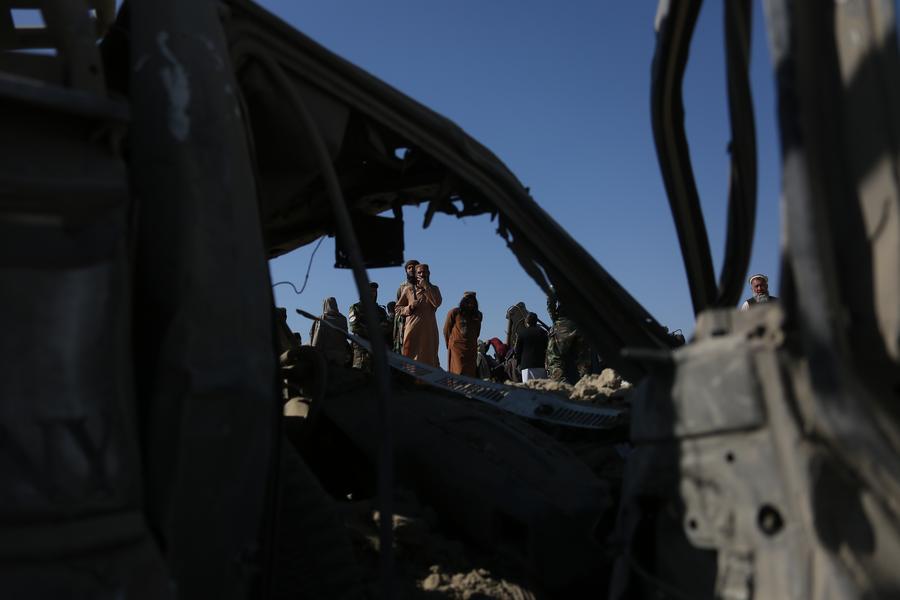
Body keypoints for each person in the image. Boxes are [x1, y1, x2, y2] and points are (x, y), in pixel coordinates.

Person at [395, 263, 442, 366]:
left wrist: (426, 287)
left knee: (429, 360)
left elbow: (437, 303)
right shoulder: (408, 289)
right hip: (413, 330)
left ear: (428, 273)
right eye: (419, 272)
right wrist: (410, 307)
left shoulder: (434, 289)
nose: (422, 274)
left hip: (429, 330)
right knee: (411, 361)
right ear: (415, 274)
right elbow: (398, 309)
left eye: (424, 272)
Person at [545, 291, 591, 383]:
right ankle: (584, 384)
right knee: (583, 361)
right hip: (581, 325)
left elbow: (551, 300)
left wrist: (554, 319)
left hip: (563, 323)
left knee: (555, 359)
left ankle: (560, 385)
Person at [348, 282, 392, 371]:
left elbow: (388, 327)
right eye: (370, 291)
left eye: (374, 291)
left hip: (379, 351)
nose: (372, 293)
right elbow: (354, 327)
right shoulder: (356, 308)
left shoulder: (381, 310)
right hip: (362, 350)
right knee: (361, 375)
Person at [443, 291, 483, 376]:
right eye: (468, 301)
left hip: (471, 350)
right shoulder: (454, 312)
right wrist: (450, 344)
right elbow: (446, 330)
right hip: (457, 350)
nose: (470, 304)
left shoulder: (478, 315)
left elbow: (477, 332)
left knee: (470, 375)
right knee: (457, 374)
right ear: (463, 302)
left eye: (472, 302)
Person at [309, 296, 349, 365]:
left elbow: (315, 337)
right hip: (341, 358)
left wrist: (313, 354)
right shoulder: (343, 319)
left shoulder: (321, 319)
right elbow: (345, 337)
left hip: (324, 358)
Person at [393, 259, 419, 353]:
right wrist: (410, 308)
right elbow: (398, 309)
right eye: (409, 268)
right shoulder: (402, 287)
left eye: (414, 267)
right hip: (406, 324)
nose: (411, 269)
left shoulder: (425, 286)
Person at [515, 312, 549, 383]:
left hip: (526, 366)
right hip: (540, 365)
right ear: (536, 321)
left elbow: (518, 351)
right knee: (541, 388)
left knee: (528, 388)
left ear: (526, 321)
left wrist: (518, 363)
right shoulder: (543, 332)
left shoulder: (522, 333)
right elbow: (548, 348)